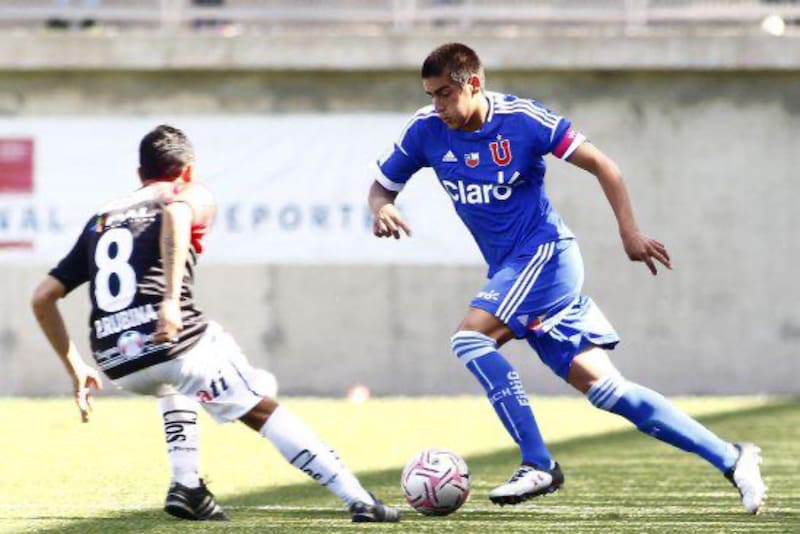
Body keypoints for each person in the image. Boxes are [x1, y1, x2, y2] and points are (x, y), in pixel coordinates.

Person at [367, 42, 767, 514]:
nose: (438, 106)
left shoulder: (523, 120)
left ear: (473, 84)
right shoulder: (426, 130)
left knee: (469, 339)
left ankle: (538, 463)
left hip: (546, 257)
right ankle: (732, 458)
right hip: (515, 271)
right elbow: (381, 188)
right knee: (609, 391)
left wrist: (630, 233)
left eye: (445, 94)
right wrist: (383, 208)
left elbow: (604, 165)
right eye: (431, 95)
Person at [31, 124, 400, 523]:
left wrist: (76, 368)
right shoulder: (188, 193)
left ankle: (187, 486)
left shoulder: (101, 219)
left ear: (140, 173)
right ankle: (359, 500)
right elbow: (176, 211)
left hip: (116, 361)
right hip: (173, 343)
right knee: (260, 406)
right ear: (187, 170)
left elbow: (42, 297)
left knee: (180, 379)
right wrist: (169, 302)